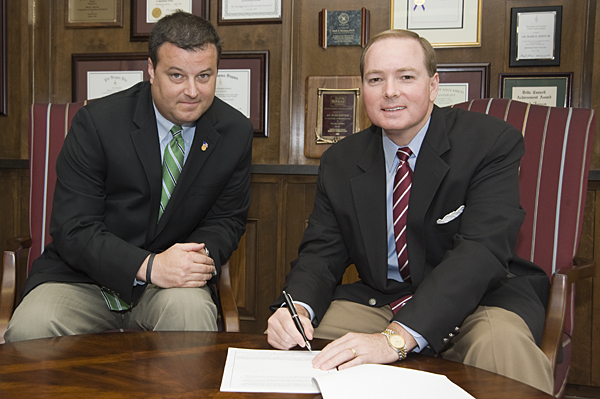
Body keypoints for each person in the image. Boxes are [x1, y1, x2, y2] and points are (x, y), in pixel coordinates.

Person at [267, 29, 554, 394]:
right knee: (302, 349)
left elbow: (480, 253)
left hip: (479, 299)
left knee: (502, 349)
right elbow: (322, 252)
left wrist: (394, 339)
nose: (390, 91)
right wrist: (297, 310)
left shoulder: (490, 142)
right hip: (382, 298)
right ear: (363, 90)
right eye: (375, 79)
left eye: (406, 77)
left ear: (433, 86)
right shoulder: (341, 160)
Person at [5, 11, 253, 342]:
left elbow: (228, 220)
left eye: (204, 76)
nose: (192, 91)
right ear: (151, 70)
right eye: (177, 76)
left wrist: (194, 261)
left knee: (191, 317)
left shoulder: (234, 132)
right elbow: (74, 228)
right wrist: (150, 266)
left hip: (172, 286)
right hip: (82, 279)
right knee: (31, 327)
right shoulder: (97, 124)